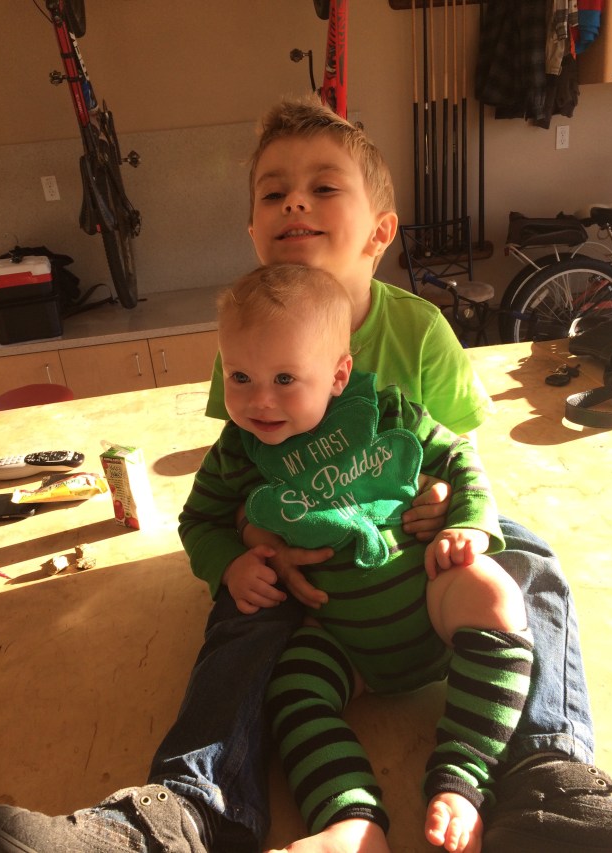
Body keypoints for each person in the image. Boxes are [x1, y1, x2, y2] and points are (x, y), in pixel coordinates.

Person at [0, 96, 612, 853]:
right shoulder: (246, 344)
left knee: (526, 557)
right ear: (254, 232)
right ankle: (187, 806)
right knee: (243, 608)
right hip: (317, 577)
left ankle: (548, 773)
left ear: (380, 233)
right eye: (273, 193)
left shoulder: (420, 330)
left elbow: (458, 453)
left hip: (416, 554)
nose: (295, 201)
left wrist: (451, 506)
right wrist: (249, 543)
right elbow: (233, 480)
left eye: (324, 187)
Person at [195, 262, 533, 853]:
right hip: (341, 643)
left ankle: (462, 777)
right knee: (287, 694)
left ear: (338, 375)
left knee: (497, 596)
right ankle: (349, 821)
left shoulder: (388, 410)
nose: (259, 401)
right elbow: (198, 520)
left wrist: (469, 523)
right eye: (240, 376)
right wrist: (230, 562)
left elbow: (459, 457)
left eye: (284, 378)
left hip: (431, 601)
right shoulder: (235, 452)